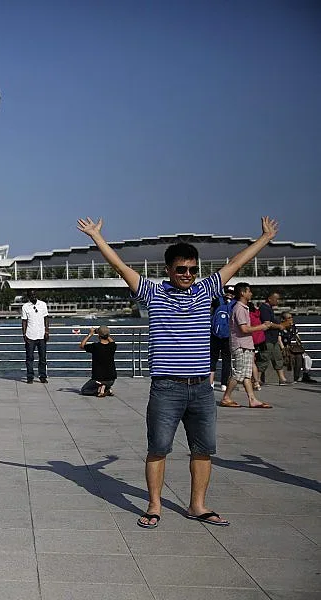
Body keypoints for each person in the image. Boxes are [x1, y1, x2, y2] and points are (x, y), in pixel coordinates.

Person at [77, 215, 280, 530]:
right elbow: (120, 268)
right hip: (166, 388)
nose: (188, 274)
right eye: (181, 269)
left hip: (201, 387)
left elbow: (236, 264)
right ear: (168, 270)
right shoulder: (152, 293)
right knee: (158, 448)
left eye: (193, 269)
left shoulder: (206, 289)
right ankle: (154, 505)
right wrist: (97, 237)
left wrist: (264, 239)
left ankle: (197, 505)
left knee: (203, 450)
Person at [221, 284, 273, 409]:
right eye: (249, 291)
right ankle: (226, 397)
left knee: (246, 375)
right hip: (241, 345)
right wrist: (262, 327)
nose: (251, 294)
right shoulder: (239, 308)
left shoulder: (244, 308)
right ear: (243, 293)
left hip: (246, 344)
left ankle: (252, 399)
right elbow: (244, 329)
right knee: (239, 373)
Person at [256, 292, 292, 385]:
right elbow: (267, 323)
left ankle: (282, 379)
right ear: (269, 299)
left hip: (274, 338)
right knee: (264, 358)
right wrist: (279, 326)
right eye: (276, 299)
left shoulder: (270, 309)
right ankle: (257, 379)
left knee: (278, 358)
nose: (278, 301)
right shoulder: (264, 309)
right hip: (267, 338)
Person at [209, 286, 235, 390]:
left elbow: (210, 314)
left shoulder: (216, 301)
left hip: (214, 334)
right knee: (226, 360)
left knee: (213, 358)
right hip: (228, 336)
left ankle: (211, 382)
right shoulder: (235, 304)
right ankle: (224, 383)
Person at [22, 290, 50, 384]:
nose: (33, 296)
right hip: (30, 335)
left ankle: (42, 376)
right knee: (29, 358)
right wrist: (24, 334)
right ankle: (30, 376)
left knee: (42, 358)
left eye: (34, 294)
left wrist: (47, 331)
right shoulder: (25, 307)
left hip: (41, 335)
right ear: (28, 297)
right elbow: (24, 321)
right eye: (31, 295)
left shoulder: (43, 305)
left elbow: (46, 318)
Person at [79, 326, 116, 397]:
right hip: (111, 380)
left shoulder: (95, 346)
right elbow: (112, 341)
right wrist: (105, 334)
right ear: (108, 335)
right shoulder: (113, 346)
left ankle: (100, 389)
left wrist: (90, 334)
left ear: (99, 335)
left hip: (98, 379)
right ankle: (106, 388)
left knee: (84, 390)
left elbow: (82, 345)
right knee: (105, 383)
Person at [281, 313, 315, 383]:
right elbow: (279, 339)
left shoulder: (293, 327)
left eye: (291, 317)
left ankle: (301, 376)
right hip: (284, 347)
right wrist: (283, 349)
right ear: (284, 319)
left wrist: (301, 348)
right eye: (289, 318)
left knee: (303, 357)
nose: (291, 319)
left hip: (292, 348)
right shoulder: (281, 327)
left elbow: (297, 337)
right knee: (293, 357)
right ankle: (293, 377)